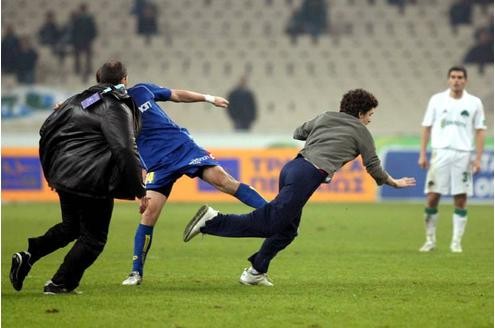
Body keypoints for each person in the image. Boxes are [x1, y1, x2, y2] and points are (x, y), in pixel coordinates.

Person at [183, 89, 416, 286]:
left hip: (293, 168)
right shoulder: (360, 130)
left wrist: (323, 137)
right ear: (360, 113)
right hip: (307, 174)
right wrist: (393, 182)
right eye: (370, 114)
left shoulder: (326, 117)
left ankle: (256, 272)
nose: (370, 120)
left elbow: (298, 132)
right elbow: (373, 165)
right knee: (270, 223)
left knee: (286, 230)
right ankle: (211, 221)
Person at [95, 69, 268, 286]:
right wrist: (63, 109)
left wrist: (209, 98)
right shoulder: (105, 108)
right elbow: (82, 107)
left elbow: (176, 94)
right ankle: (135, 273)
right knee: (149, 214)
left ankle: (273, 212)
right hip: (157, 163)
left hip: (182, 147)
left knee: (224, 181)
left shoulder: (141, 91)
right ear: (123, 79)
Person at [9, 61, 147, 294]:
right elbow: (124, 148)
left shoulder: (77, 101)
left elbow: (46, 131)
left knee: (71, 227)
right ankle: (60, 283)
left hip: (66, 176)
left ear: (97, 77)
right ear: (124, 79)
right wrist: (139, 189)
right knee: (94, 239)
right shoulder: (115, 107)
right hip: (92, 180)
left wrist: (54, 173)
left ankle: (28, 256)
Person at [418, 66, 486, 253]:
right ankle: (430, 240)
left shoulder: (474, 103)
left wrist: (478, 158)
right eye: (453, 77)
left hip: (463, 155)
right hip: (440, 153)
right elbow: (426, 127)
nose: (456, 80)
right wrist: (423, 154)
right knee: (432, 197)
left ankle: (456, 242)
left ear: (465, 80)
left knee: (461, 198)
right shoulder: (437, 100)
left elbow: (480, 130)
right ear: (449, 79)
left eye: (460, 77)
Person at [71, 3, 97, 82]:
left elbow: (93, 30)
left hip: (84, 40)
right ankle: (79, 70)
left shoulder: (87, 18)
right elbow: (74, 30)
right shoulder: (78, 19)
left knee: (86, 57)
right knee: (80, 57)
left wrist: (90, 38)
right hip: (81, 41)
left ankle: (86, 70)